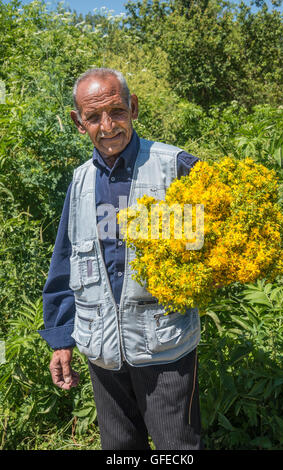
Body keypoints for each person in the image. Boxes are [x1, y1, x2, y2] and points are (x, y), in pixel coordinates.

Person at [38, 68, 204, 450]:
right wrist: (61, 339)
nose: (107, 125)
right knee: (120, 450)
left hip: (164, 346)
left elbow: (215, 241)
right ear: (79, 123)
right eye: (94, 117)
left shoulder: (174, 166)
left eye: (117, 111)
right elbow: (64, 264)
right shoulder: (79, 182)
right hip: (102, 350)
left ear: (133, 107)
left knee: (177, 448)